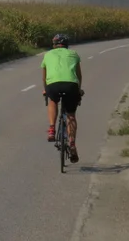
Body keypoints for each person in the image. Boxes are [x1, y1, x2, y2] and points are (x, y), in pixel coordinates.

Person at [40, 33, 84, 163]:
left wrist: (46, 90)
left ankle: (52, 129)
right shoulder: (74, 54)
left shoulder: (47, 55)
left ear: (54, 44)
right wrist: (79, 90)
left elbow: (44, 77)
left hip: (53, 85)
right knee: (71, 114)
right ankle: (72, 144)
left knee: (52, 101)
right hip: (71, 86)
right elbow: (78, 75)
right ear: (66, 45)